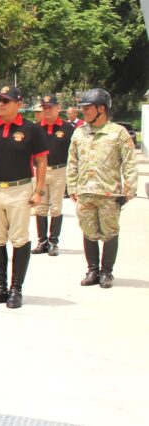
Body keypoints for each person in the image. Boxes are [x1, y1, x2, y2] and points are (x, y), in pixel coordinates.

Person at [0, 86, 47, 309]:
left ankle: (16, 288)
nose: (1, 104)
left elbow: (41, 161)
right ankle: (0, 287)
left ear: (19, 104)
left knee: (19, 238)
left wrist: (39, 191)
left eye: (6, 100)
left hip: (20, 190)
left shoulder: (31, 129)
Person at [67, 88, 138, 289]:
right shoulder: (79, 133)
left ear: (101, 109)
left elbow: (129, 162)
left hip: (109, 193)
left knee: (110, 232)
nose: (84, 112)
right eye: (82, 108)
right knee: (88, 231)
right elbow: (72, 161)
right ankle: (92, 270)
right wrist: (72, 186)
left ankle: (106, 272)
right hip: (85, 192)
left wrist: (129, 188)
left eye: (87, 108)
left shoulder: (118, 133)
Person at [33, 94, 74, 256]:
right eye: (45, 108)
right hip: (40, 172)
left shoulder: (67, 128)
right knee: (40, 207)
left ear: (58, 108)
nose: (47, 110)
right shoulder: (36, 128)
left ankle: (53, 242)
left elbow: (74, 152)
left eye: (50, 107)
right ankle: (42, 241)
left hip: (59, 170)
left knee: (56, 207)